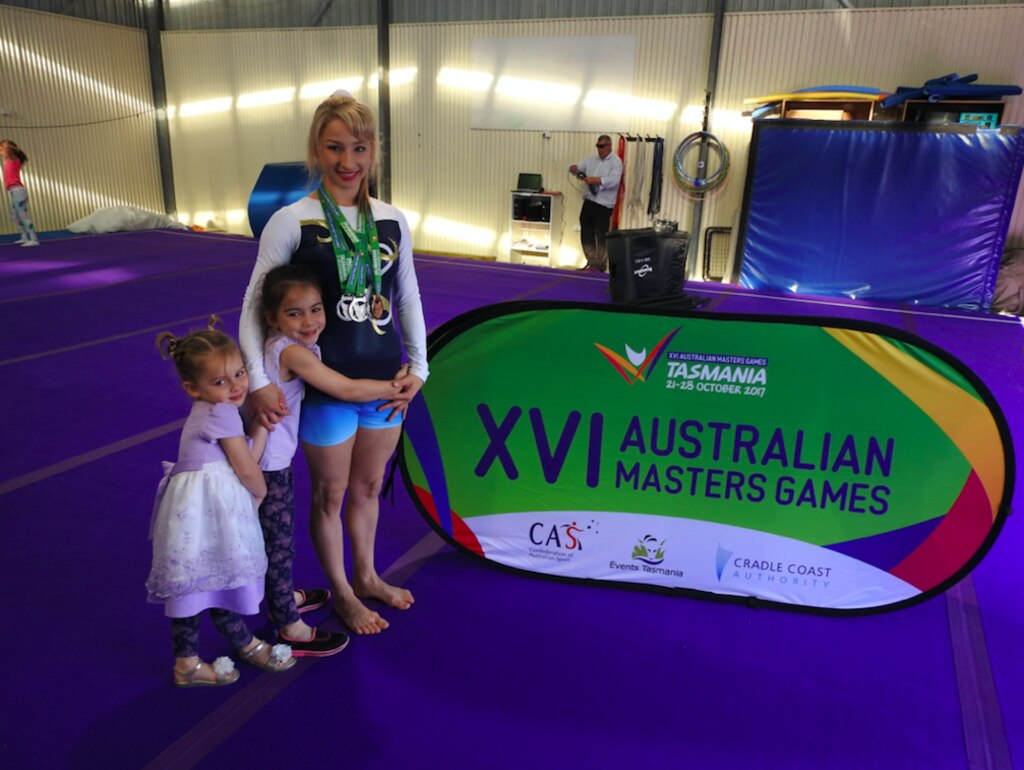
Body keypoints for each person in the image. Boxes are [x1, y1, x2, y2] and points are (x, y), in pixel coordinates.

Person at [239, 92, 428, 636]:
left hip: (388, 379)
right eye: (335, 147)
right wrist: (257, 381)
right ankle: (342, 591)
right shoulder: (291, 221)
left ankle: (366, 575)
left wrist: (419, 369)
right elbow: (254, 305)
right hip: (328, 387)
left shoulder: (391, 221)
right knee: (331, 493)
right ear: (316, 151)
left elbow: (408, 296)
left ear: (374, 153)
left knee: (368, 489)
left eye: (359, 148)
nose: (348, 161)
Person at [255, 263, 413, 653]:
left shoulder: (300, 344)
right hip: (268, 457)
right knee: (325, 499)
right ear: (271, 318)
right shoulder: (289, 350)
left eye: (315, 309)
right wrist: (403, 384)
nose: (309, 321)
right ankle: (333, 595)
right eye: (295, 313)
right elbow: (342, 387)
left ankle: (366, 577)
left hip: (287, 446)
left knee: (368, 487)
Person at [146, 317, 297, 687]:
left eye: (240, 374)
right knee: (203, 585)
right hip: (208, 512)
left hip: (201, 509)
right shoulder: (220, 413)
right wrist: (258, 495)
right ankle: (201, 659)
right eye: (220, 381)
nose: (235, 386)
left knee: (201, 585)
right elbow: (248, 470)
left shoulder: (217, 411)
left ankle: (213, 652)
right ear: (192, 388)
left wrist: (261, 424)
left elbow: (246, 454)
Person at [569, 134, 622, 272]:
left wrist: (597, 180)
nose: (599, 149)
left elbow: (614, 181)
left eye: (602, 146)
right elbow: (580, 167)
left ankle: (601, 265)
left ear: (610, 146)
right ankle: (591, 261)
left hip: (604, 204)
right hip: (589, 200)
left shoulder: (616, 162)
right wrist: (574, 168)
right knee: (586, 230)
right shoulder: (591, 159)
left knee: (601, 234)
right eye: (598, 146)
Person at [0, 140, 39, 247]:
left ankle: (34, 239)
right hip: (13, 192)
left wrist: (8, 146)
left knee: (23, 215)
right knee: (14, 216)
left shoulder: (14, 160)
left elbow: (12, 150)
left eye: (1, 150)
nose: (0, 152)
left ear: (8, 150)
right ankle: (24, 237)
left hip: (19, 191)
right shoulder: (7, 161)